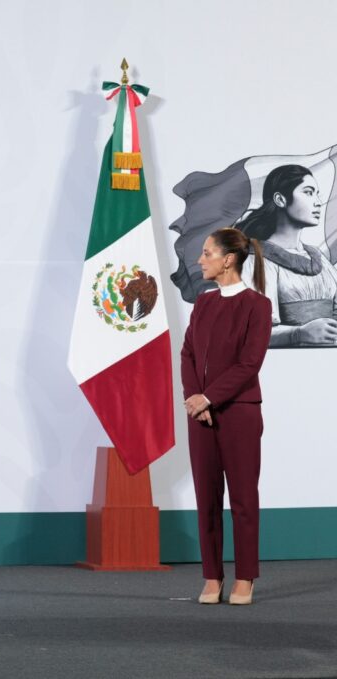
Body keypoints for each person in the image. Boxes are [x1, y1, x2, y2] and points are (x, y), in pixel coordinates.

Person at [180, 227, 272, 605]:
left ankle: (245, 577)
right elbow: (187, 353)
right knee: (207, 498)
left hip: (239, 413)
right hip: (200, 415)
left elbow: (249, 364)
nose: (200, 260)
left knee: (243, 499)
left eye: (207, 253)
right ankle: (212, 575)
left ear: (228, 259)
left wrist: (208, 398)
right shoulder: (203, 303)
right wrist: (194, 400)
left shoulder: (257, 305)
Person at [237, 164, 337, 347]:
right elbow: (250, 332)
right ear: (280, 199)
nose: (317, 202)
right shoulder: (257, 260)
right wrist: (298, 334)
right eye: (308, 192)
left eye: (317, 194)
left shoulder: (320, 259)